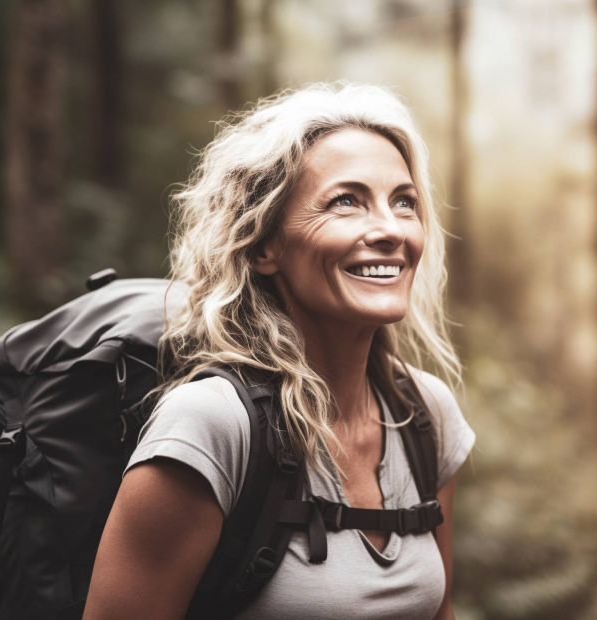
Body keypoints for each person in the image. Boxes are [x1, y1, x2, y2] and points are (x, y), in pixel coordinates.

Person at [83, 82, 475, 620]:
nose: (390, 229)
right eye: (347, 202)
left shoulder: (425, 416)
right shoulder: (212, 426)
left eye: (403, 202)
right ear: (266, 244)